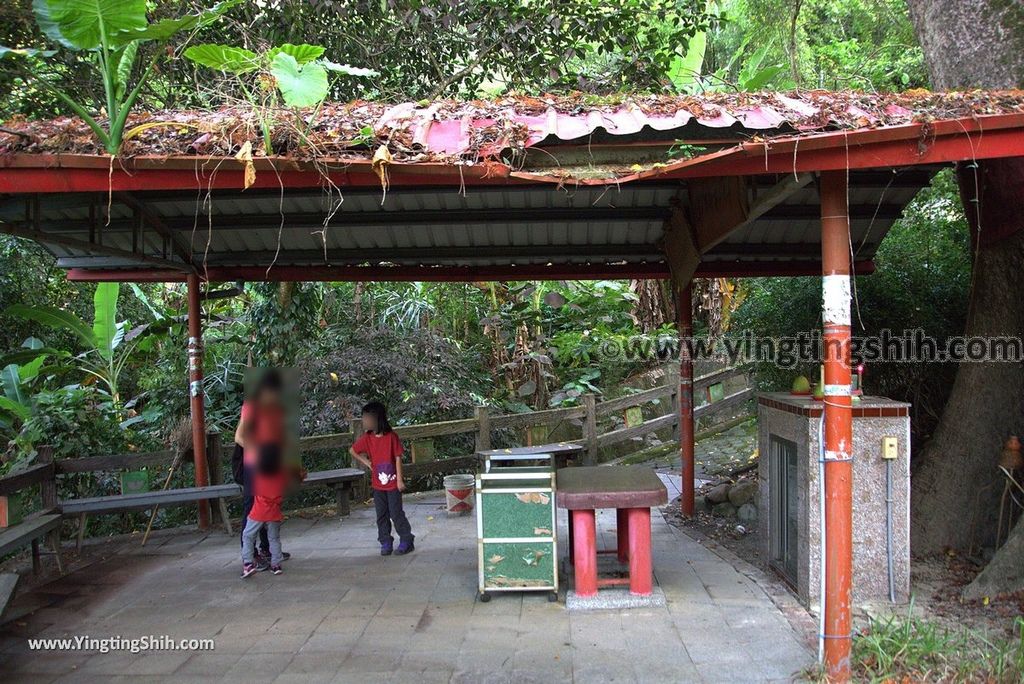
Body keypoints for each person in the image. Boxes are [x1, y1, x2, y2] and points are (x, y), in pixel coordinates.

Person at [234, 370, 289, 569]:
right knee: (252, 509)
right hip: (254, 466)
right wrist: (259, 452)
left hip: (273, 465)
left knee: (271, 507)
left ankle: (268, 549)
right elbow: (239, 437)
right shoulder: (252, 406)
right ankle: (250, 554)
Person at [349, 401, 415, 556]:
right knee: (381, 514)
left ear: (376, 418)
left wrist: (399, 480)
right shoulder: (367, 438)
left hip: (392, 485)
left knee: (396, 513)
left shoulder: (391, 437)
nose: (364, 421)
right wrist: (367, 462)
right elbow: (352, 450)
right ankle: (385, 541)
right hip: (378, 485)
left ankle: (407, 539)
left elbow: (398, 458)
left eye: (366, 418)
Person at [240, 439, 287, 578]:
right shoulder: (279, 476)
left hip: (258, 512)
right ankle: (276, 564)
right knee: (274, 538)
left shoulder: (258, 474)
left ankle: (248, 563)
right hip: (274, 513)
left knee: (247, 535)